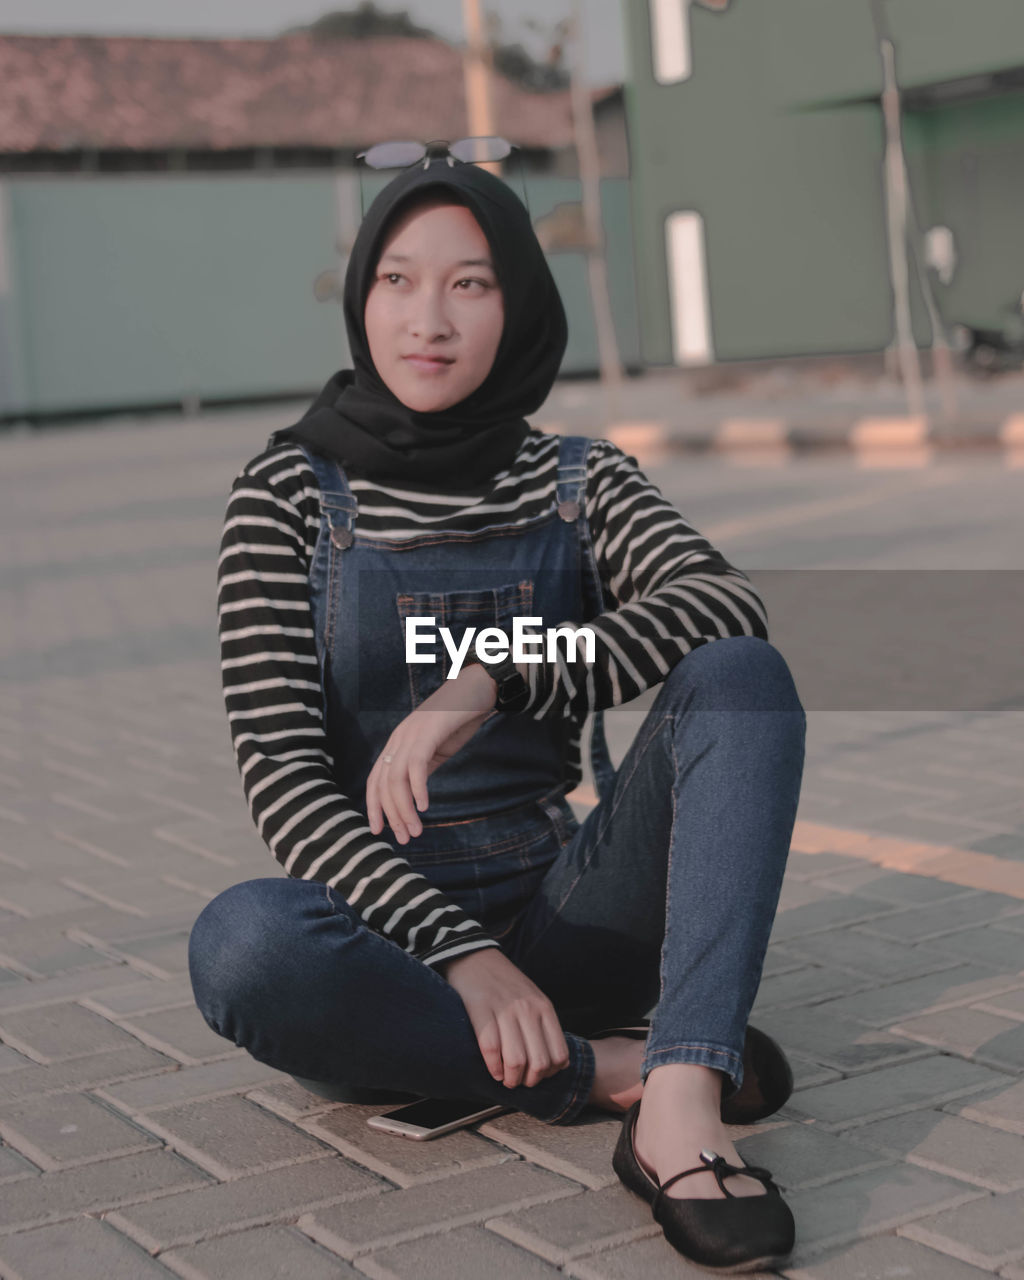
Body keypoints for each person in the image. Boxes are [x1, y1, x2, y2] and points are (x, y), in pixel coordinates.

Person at [187, 151, 807, 1272]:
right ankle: (622, 1068)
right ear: (361, 295)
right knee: (242, 945)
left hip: (571, 913)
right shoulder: (283, 494)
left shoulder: (575, 478)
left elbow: (722, 601)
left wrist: (493, 675)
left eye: (469, 283)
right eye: (397, 279)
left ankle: (676, 1115)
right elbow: (282, 776)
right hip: (384, 959)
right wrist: (461, 952)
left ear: (517, 302)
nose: (427, 318)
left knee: (742, 678)